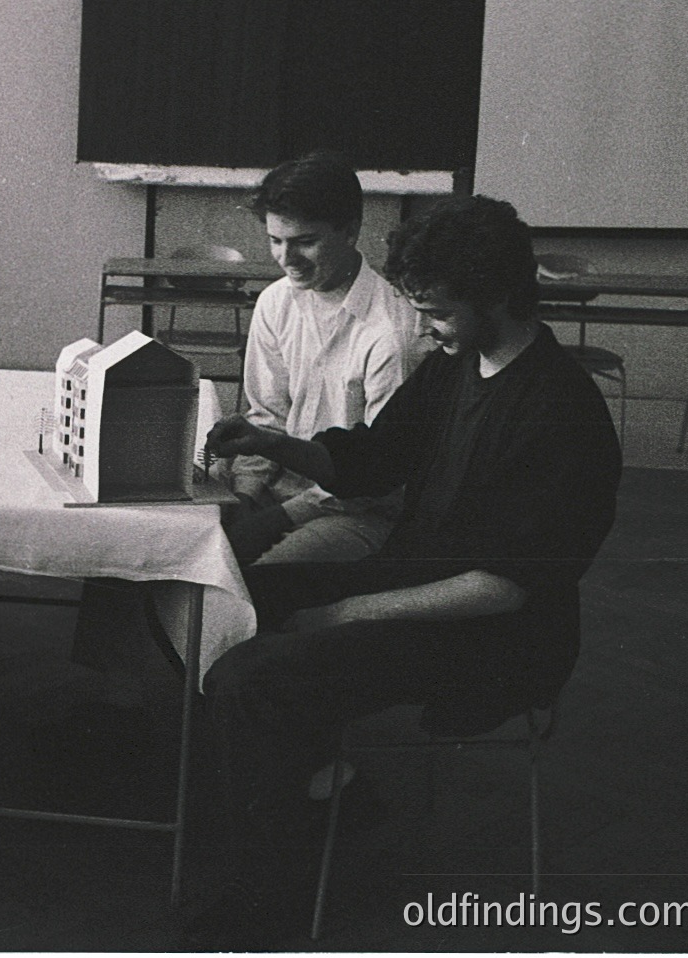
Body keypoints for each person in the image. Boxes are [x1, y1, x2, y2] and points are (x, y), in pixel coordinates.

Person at [188, 195, 622, 946]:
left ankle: (271, 899)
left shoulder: (560, 412)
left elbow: (505, 586)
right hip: (413, 581)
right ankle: (310, 795)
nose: (423, 329)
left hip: (497, 637)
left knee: (253, 677)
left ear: (495, 297)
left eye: (437, 312)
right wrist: (275, 444)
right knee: (221, 596)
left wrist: (343, 614)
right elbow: (372, 460)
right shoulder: (457, 365)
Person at [226, 150, 424, 565]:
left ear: (350, 231)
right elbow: (266, 416)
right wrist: (244, 498)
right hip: (278, 495)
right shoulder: (275, 302)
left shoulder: (393, 333)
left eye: (305, 242)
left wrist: (270, 520)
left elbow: (380, 475)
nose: (286, 259)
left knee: (263, 578)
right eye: (275, 241)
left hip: (359, 511)